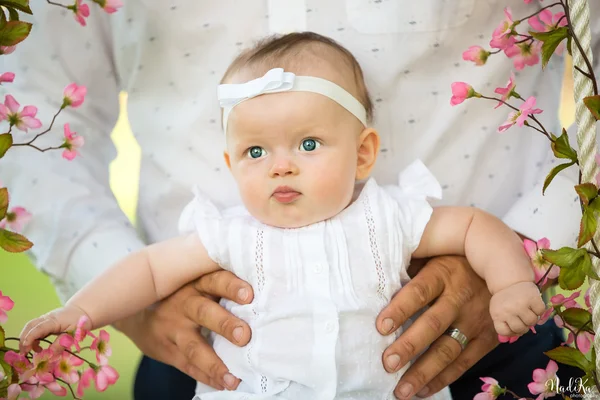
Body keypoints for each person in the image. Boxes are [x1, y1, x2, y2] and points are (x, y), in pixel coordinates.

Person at [2, 1, 597, 399]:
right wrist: (86, 309)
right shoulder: (227, 235)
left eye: (308, 144)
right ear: (232, 163)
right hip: (192, 352)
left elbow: (470, 229)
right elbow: (149, 269)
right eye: (256, 153)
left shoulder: (386, 216)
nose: (282, 164)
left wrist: (515, 278)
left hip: (489, 341)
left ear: (364, 154)